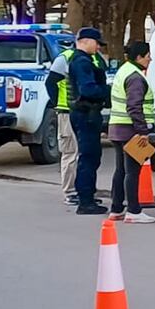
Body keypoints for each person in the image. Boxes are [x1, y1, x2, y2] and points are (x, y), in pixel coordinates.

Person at [47, 37, 107, 206]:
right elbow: (50, 83)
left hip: (80, 109)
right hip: (68, 111)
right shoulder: (65, 58)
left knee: (85, 154)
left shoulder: (93, 58)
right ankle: (70, 192)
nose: (98, 46)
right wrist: (57, 103)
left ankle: (83, 192)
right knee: (71, 153)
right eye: (96, 42)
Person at [108, 41, 155, 224]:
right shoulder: (135, 77)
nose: (150, 58)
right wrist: (142, 130)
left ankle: (117, 208)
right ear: (139, 57)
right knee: (132, 172)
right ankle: (134, 211)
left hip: (117, 128)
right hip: (131, 131)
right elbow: (134, 106)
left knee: (120, 170)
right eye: (147, 55)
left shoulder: (123, 71)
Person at [67, 27, 111, 215]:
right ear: (85, 41)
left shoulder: (81, 60)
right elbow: (88, 90)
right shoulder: (82, 62)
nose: (98, 47)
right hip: (86, 113)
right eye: (97, 43)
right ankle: (85, 201)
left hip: (83, 113)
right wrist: (109, 92)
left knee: (90, 156)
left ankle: (87, 195)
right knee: (89, 156)